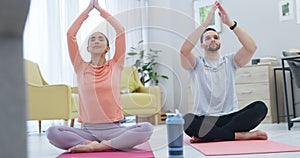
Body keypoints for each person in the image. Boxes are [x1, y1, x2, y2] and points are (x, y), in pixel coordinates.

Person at [46, 0, 153, 153]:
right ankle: (96, 143)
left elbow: (120, 31)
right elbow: (71, 35)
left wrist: (101, 11)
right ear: (88, 48)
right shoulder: (80, 67)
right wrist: (87, 11)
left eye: (101, 39)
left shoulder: (115, 65)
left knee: (147, 128)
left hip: (114, 130)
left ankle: (99, 146)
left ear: (108, 48)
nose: (96, 41)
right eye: (92, 39)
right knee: (52, 132)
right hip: (88, 131)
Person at [180, 1, 268, 143]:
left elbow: (252, 47)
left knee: (260, 107)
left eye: (215, 37)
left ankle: (211, 135)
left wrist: (230, 23)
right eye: (208, 38)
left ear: (220, 42)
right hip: (205, 119)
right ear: (201, 45)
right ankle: (239, 136)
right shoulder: (196, 64)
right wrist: (205, 23)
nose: (212, 40)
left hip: (230, 116)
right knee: (186, 120)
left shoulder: (231, 61)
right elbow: (184, 50)